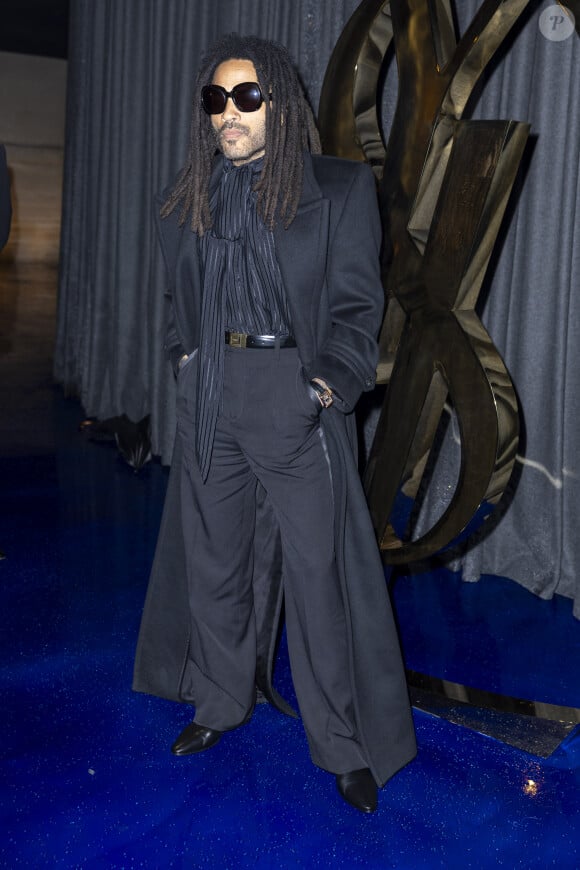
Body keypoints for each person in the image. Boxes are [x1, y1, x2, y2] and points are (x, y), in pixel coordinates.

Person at [133, 33, 416, 814]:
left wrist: (323, 384)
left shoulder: (339, 188)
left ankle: (342, 745)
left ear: (278, 104)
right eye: (216, 99)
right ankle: (220, 703)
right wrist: (185, 361)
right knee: (215, 566)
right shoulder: (188, 195)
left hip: (294, 392)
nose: (230, 113)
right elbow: (176, 307)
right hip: (214, 396)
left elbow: (361, 308)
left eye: (247, 97)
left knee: (319, 579)